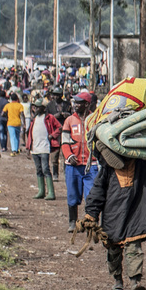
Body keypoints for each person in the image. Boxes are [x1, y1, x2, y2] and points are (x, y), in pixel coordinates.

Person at [84, 154, 146, 290]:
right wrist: (91, 213)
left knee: (134, 246)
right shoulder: (108, 168)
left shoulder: (144, 164)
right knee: (113, 248)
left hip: (137, 209)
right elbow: (98, 190)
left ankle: (135, 281)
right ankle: (117, 279)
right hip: (113, 213)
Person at [61, 92, 98, 233]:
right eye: (75, 103)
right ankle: (73, 222)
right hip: (73, 166)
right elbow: (64, 142)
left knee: (92, 196)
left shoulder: (94, 120)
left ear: (87, 104)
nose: (76, 105)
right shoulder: (69, 120)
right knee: (72, 195)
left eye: (79, 103)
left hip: (91, 165)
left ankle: (91, 223)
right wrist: (69, 155)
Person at [26, 99, 61, 201]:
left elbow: (59, 127)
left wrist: (52, 136)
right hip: (35, 148)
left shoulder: (49, 118)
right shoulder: (34, 119)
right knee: (38, 170)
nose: (35, 109)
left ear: (43, 108)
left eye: (38, 107)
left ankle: (51, 192)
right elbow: (29, 134)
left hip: (44, 148)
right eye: (35, 107)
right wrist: (28, 147)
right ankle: (41, 191)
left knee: (46, 169)